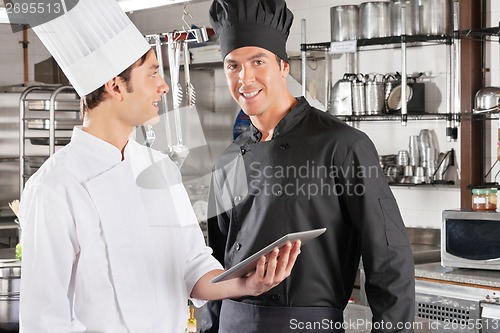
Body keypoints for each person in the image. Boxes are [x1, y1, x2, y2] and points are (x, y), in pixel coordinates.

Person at [18, 1, 300, 332]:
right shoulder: (54, 187)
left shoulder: (159, 167)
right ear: (116, 86)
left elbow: (193, 266)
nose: (163, 86)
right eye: (152, 72)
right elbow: (44, 321)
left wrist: (247, 284)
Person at [202, 0, 416, 332]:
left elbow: (389, 256)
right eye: (233, 66)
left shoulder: (342, 145)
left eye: (257, 61)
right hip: (233, 323)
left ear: (283, 67)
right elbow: (215, 260)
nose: (244, 78)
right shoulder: (230, 158)